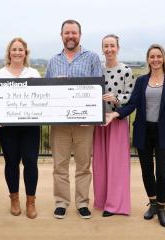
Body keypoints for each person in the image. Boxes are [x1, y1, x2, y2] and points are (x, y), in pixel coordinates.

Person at [105, 44, 165, 227]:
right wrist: (117, 114)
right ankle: (153, 203)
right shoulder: (141, 81)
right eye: (152, 57)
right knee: (147, 171)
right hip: (143, 131)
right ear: (148, 59)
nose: (155, 60)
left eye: (158, 56)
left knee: (162, 173)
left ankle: (162, 208)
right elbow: (132, 104)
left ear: (163, 58)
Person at [45, 19, 103, 219]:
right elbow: (46, 92)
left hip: (84, 124)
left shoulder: (92, 58)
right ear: (61, 35)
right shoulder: (53, 61)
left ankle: (82, 202)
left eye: (74, 33)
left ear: (80, 35)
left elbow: (98, 88)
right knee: (59, 165)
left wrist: (93, 114)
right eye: (67, 33)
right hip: (59, 124)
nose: (70, 36)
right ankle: (61, 202)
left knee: (83, 165)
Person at [0, 37, 41, 219]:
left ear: (25, 53)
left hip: (30, 127)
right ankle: (14, 199)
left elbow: (40, 100)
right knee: (11, 162)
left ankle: (30, 201)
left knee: (31, 162)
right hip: (7, 127)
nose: (17, 52)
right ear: (9, 53)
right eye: (14, 49)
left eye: (21, 49)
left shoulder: (33, 73)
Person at [93, 34, 135, 217]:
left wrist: (117, 99)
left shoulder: (126, 70)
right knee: (100, 164)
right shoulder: (97, 70)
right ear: (102, 49)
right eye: (106, 46)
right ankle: (102, 201)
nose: (109, 49)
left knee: (117, 165)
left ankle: (115, 205)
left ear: (118, 47)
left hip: (117, 121)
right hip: (99, 121)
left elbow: (132, 97)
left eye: (112, 45)